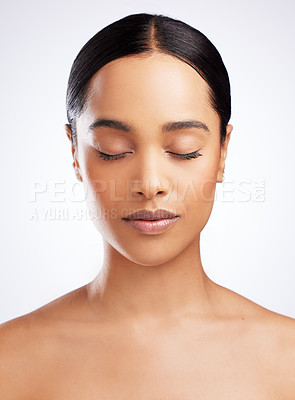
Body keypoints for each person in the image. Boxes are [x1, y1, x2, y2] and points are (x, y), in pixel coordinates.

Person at [0, 12, 294, 399]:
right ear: (74, 151)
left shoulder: (286, 360)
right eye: (113, 151)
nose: (150, 185)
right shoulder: (10, 360)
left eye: (184, 151)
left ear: (223, 152)